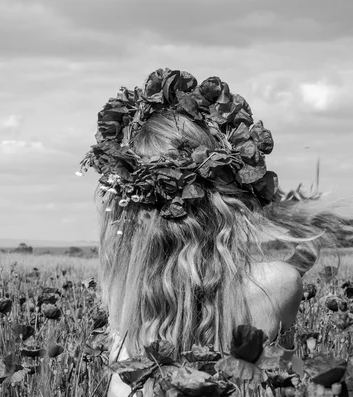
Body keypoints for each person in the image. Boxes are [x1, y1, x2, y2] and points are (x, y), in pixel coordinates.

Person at [78, 68, 351, 396]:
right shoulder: (276, 284)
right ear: (223, 199)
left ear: (126, 210)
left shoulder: (123, 301)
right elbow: (287, 378)